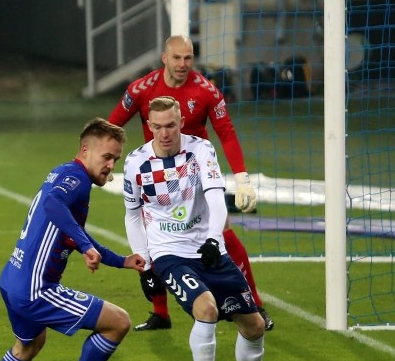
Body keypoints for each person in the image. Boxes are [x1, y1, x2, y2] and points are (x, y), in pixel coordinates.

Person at [0, 118, 146, 361]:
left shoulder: (64, 173)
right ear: (86, 150)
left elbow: (73, 230)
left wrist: (122, 261)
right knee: (119, 322)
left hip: (12, 279)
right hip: (35, 288)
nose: (111, 166)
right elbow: (55, 206)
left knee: (28, 345)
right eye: (106, 157)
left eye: (115, 159)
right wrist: (84, 247)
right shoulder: (76, 179)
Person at [123, 96, 287, 361]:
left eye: (171, 125)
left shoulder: (200, 150)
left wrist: (213, 240)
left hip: (208, 248)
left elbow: (215, 197)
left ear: (181, 121)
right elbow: (132, 214)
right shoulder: (135, 163)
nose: (164, 133)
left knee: (253, 326)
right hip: (168, 252)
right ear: (149, 126)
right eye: (157, 127)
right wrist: (144, 263)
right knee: (206, 308)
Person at [108, 34, 273, 332]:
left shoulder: (207, 91)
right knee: (147, 242)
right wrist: (104, 160)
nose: (183, 64)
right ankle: (161, 313)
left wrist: (242, 178)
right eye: (177, 58)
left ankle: (255, 304)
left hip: (196, 178)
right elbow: (113, 124)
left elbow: (226, 131)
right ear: (164, 58)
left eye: (188, 58)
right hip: (155, 180)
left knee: (224, 235)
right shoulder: (142, 89)